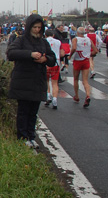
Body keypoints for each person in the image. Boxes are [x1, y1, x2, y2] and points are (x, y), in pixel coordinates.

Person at [7, 14, 56, 149]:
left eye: (39, 28)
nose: (37, 30)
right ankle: (22, 137)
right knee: (23, 111)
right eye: (34, 27)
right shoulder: (21, 40)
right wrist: (30, 54)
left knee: (33, 112)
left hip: (37, 81)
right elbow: (11, 53)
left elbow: (53, 58)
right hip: (23, 81)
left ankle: (31, 136)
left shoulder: (43, 42)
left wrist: (45, 59)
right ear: (29, 27)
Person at [69, 27, 98, 108]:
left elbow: (74, 48)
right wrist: (89, 54)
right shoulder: (88, 39)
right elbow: (95, 51)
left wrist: (70, 56)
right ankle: (88, 95)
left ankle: (77, 96)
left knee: (76, 79)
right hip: (86, 61)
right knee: (85, 80)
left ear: (77, 33)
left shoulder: (75, 39)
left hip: (78, 60)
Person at [44, 29, 65, 110]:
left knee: (46, 81)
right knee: (55, 83)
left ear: (45, 35)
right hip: (56, 63)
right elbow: (62, 53)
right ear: (53, 35)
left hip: (46, 63)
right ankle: (55, 99)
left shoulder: (43, 41)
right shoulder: (58, 42)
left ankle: (48, 95)